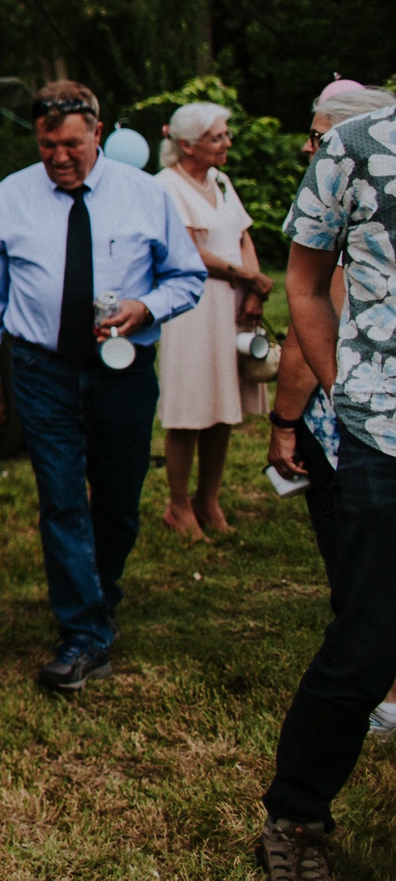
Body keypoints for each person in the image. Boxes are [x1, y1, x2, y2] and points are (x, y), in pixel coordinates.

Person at [0, 81, 205, 692]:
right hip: (42, 369)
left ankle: (98, 590)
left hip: (122, 370)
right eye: (48, 145)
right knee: (62, 498)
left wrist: (145, 306)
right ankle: (83, 632)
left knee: (120, 502)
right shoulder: (11, 196)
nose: (60, 157)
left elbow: (188, 278)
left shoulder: (145, 195)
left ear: (97, 133)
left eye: (71, 144)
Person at [256, 95, 396, 880]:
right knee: (372, 634)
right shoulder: (355, 144)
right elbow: (303, 284)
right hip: (386, 433)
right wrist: (348, 389)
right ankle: (297, 815)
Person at [268, 87, 396, 592]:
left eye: (318, 137)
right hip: (364, 411)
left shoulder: (356, 233)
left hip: (348, 411)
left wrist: (284, 422)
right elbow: (307, 299)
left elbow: (303, 335)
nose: (309, 147)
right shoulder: (354, 200)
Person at [153, 102, 273, 541]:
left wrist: (255, 291)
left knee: (224, 406)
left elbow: (242, 233)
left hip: (232, 302)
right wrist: (246, 276)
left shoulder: (220, 180)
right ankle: (178, 505)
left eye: (225, 134)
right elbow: (187, 251)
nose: (227, 143)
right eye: (217, 137)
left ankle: (209, 499)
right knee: (189, 408)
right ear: (186, 144)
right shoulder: (165, 186)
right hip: (192, 306)